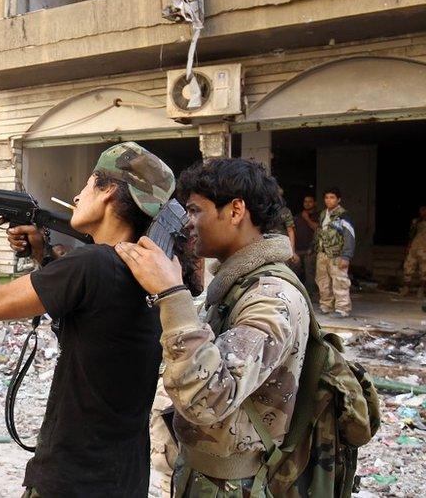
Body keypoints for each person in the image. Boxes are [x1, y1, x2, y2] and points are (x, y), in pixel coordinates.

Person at [0, 142, 183, 497]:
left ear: (108, 190)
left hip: (70, 481)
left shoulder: (91, 264)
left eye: (86, 185)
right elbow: (93, 324)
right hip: (123, 479)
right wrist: (43, 256)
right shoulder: (149, 275)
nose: (77, 198)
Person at [113, 158, 310, 496]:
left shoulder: (272, 298)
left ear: (235, 211)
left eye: (195, 211)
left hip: (232, 485)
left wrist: (172, 295)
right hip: (206, 477)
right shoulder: (237, 285)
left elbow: (209, 397)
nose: (187, 224)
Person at [314, 187, 355, 316]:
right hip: (323, 254)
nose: (329, 200)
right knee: (323, 281)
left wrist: (346, 256)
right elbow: (319, 233)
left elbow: (349, 236)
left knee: (340, 282)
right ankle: (326, 305)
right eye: (326, 198)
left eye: (332, 198)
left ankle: (342, 309)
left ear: (338, 199)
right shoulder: (322, 214)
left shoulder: (344, 215)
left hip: (337, 255)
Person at [293, 194, 320, 293]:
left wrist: (307, 219)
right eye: (305, 201)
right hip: (298, 249)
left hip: (312, 250)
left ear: (315, 203)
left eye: (310, 201)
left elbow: (318, 229)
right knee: (293, 268)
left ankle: (311, 293)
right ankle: (296, 292)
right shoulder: (297, 217)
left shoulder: (319, 215)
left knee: (310, 271)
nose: (307, 204)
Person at [399, 206, 426, 297]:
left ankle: (421, 289)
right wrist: (408, 246)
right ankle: (406, 288)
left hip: (424, 248)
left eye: (424, 210)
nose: (422, 212)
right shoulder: (416, 221)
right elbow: (411, 235)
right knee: (408, 266)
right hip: (414, 247)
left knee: (424, 270)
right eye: (421, 210)